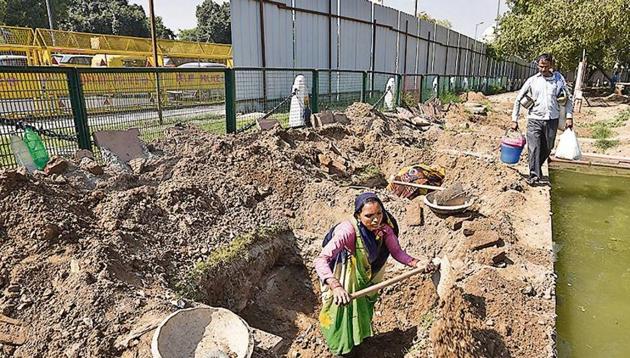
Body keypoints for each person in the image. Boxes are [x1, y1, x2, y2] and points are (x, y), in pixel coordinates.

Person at [314, 192, 437, 356]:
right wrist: (335, 286)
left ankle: (358, 339)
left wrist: (417, 263)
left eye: (379, 213)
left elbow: (397, 252)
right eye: (369, 215)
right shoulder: (347, 231)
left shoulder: (385, 229)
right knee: (340, 312)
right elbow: (321, 259)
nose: (375, 219)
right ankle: (340, 349)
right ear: (358, 215)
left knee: (362, 306)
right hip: (345, 274)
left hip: (365, 275)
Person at [511, 53, 574, 185]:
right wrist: (514, 119)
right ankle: (534, 176)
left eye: (545, 66)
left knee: (548, 147)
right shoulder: (532, 81)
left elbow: (568, 99)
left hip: (552, 119)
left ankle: (536, 167)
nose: (543, 69)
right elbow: (518, 99)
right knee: (534, 147)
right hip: (534, 119)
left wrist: (569, 117)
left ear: (551, 65)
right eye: (540, 66)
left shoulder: (558, 80)